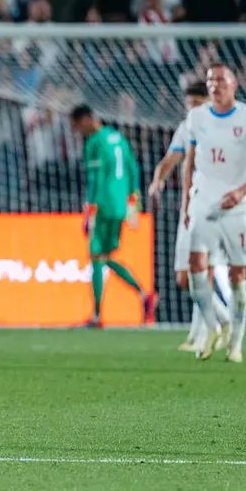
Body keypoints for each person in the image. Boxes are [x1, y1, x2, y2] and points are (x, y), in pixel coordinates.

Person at [184, 64, 246, 363]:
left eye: (221, 80)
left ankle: (236, 343)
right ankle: (213, 328)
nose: (215, 86)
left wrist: (242, 191)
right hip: (204, 202)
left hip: (237, 206)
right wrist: (187, 201)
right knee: (195, 266)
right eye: (210, 81)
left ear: (234, 84)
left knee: (238, 275)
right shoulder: (196, 118)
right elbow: (189, 162)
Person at [148, 82, 231, 353]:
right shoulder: (187, 128)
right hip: (192, 206)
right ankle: (221, 319)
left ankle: (204, 333)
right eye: (189, 106)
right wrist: (158, 180)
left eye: (198, 104)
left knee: (200, 272)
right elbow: (171, 158)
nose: (193, 110)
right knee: (185, 279)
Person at [70, 106, 155, 328]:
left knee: (96, 256)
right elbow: (133, 168)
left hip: (103, 203)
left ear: (88, 120)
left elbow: (95, 179)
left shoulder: (94, 142)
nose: (76, 131)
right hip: (121, 205)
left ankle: (97, 315)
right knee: (106, 257)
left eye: (77, 126)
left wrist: (89, 211)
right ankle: (145, 296)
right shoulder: (118, 137)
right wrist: (134, 199)